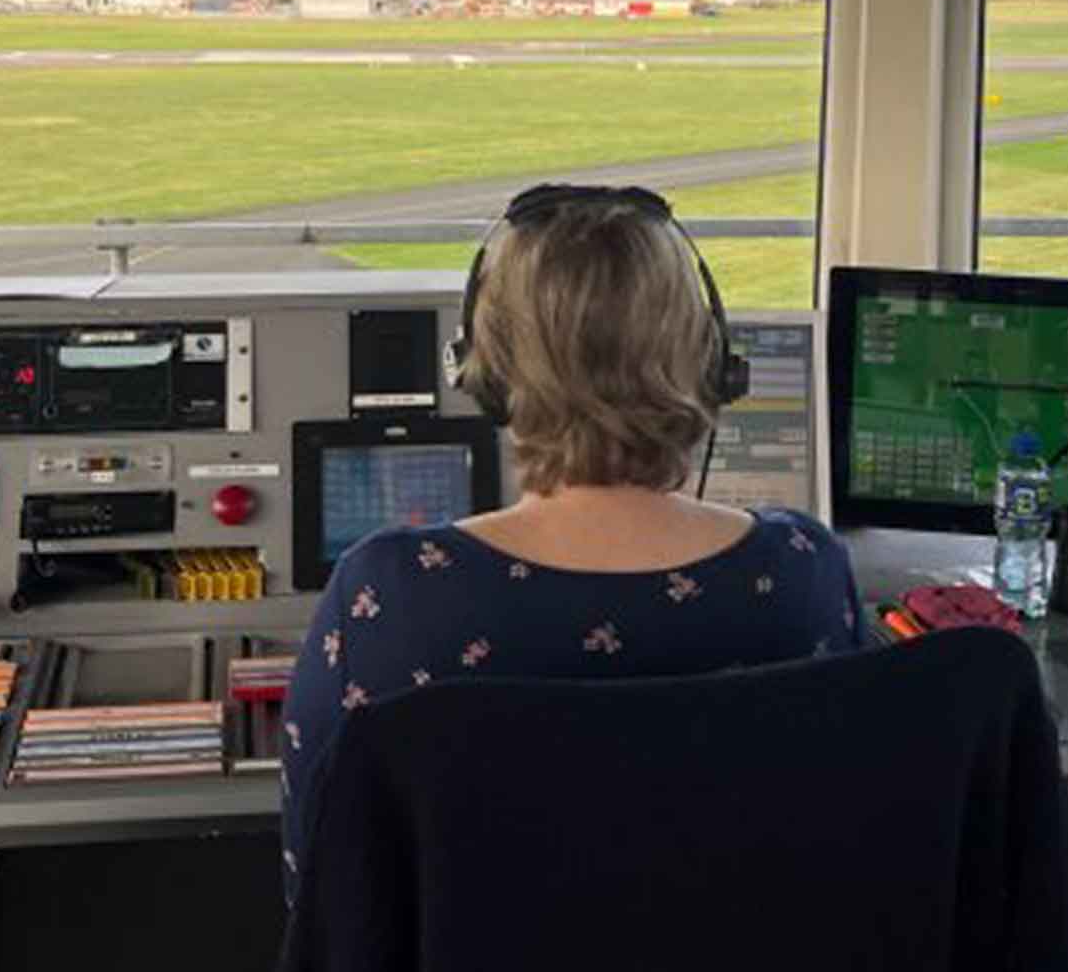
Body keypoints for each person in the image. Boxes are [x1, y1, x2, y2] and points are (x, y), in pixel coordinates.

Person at [278, 184, 867, 900]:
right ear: (710, 365)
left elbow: (319, 885)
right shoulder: (804, 571)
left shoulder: (388, 594)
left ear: (485, 372)